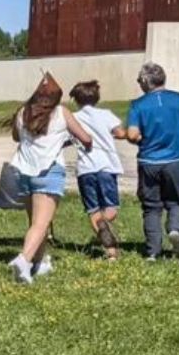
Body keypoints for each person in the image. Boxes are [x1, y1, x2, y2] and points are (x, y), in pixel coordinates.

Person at [5, 73, 92, 284]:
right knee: (42, 223)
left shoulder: (22, 112)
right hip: (49, 172)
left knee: (35, 223)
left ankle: (40, 262)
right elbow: (86, 138)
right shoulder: (61, 113)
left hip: (24, 172)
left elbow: (16, 137)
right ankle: (23, 260)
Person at [126, 62, 179, 261]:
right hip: (176, 160)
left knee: (151, 207)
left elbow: (132, 134)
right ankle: (174, 229)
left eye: (139, 81)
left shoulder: (138, 105)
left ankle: (153, 251)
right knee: (178, 202)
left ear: (146, 81)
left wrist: (140, 139)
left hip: (148, 161)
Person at [69, 80, 127, 261]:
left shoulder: (73, 117)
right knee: (111, 208)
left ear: (76, 100)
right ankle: (105, 226)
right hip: (106, 166)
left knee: (93, 210)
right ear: (97, 98)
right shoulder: (105, 114)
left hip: (85, 168)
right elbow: (121, 133)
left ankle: (110, 251)